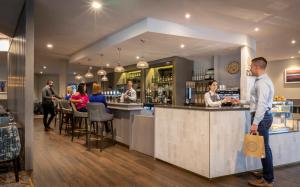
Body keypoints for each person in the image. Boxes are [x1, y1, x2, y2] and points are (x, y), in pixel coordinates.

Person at [246, 57, 275, 187]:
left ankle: (268, 180)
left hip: (262, 118)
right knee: (264, 148)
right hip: (264, 117)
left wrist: (255, 123)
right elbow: (255, 101)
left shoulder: (262, 82)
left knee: (264, 148)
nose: (250, 68)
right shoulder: (262, 81)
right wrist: (240, 102)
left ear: (257, 67)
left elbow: (262, 105)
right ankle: (266, 175)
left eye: (251, 66)